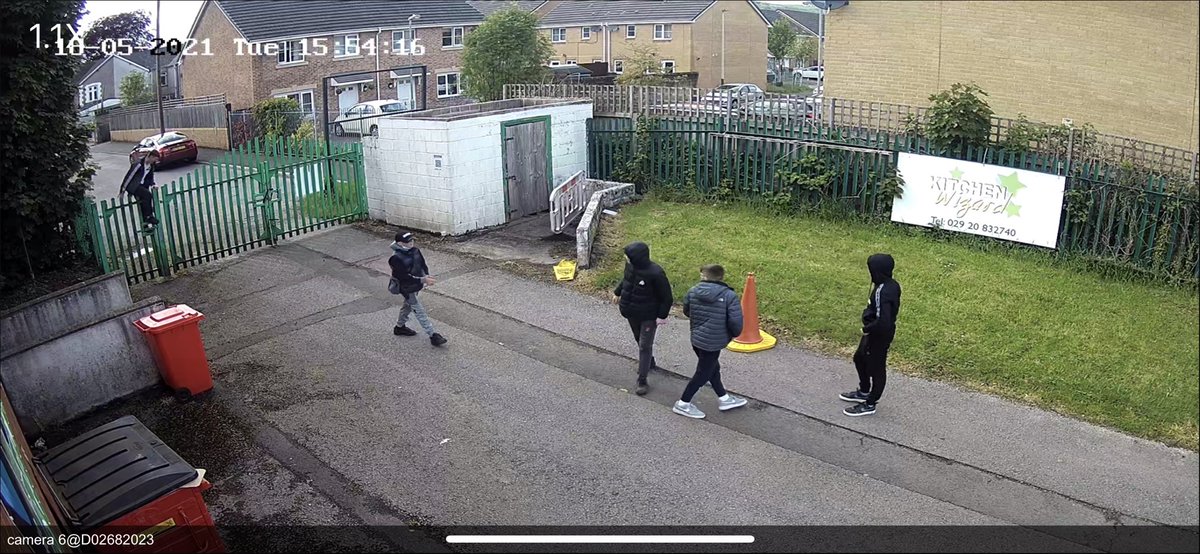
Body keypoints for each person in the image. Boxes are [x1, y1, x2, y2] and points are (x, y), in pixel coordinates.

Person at [673, 264, 748, 419]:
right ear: (721, 277)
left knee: (712, 368)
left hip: (697, 338)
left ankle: (724, 398)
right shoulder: (729, 295)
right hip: (714, 341)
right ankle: (683, 403)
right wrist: (732, 334)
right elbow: (736, 322)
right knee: (703, 373)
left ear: (704, 276)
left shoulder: (693, 291)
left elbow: (687, 311)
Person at [841, 253, 901, 417]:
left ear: (877, 271)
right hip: (873, 331)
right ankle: (864, 391)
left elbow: (884, 321)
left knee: (877, 367)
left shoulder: (884, 291)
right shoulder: (888, 284)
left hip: (879, 335)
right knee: (859, 358)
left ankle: (870, 403)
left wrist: (868, 329)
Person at [611, 242, 672, 396]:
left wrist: (661, 316)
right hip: (631, 311)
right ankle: (649, 362)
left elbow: (666, 297)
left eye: (628, 256)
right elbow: (626, 279)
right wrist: (618, 292)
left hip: (648, 316)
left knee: (645, 345)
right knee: (638, 339)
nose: (626, 258)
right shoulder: (630, 266)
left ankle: (642, 380)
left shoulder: (656, 273)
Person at [389, 231, 447, 347]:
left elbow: (422, 264)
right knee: (419, 310)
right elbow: (404, 277)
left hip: (416, 284)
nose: (411, 243)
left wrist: (426, 275)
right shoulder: (395, 258)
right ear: (400, 243)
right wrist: (423, 280)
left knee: (407, 306)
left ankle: (399, 327)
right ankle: (432, 335)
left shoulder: (415, 251)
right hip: (406, 288)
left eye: (412, 240)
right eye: (408, 241)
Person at [120, 151, 160, 232]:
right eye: (153, 159)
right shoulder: (138, 164)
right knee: (148, 195)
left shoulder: (151, 166)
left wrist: (153, 184)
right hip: (133, 186)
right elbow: (129, 176)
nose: (153, 162)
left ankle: (145, 226)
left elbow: (150, 177)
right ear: (150, 156)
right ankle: (149, 216)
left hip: (142, 186)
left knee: (143, 204)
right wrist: (122, 190)